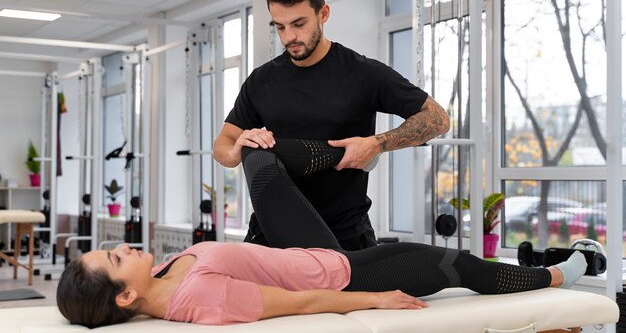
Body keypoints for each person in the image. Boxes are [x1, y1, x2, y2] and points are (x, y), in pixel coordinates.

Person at [57, 139, 587, 328]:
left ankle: (358, 146)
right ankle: (569, 271)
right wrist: (374, 298)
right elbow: (303, 303)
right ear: (126, 294)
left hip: (293, 249)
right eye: (115, 256)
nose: (124, 247)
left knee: (258, 155)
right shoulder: (201, 298)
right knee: (459, 267)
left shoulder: (167, 275)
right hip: (335, 269)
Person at [213, 0, 450, 250]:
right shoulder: (261, 81)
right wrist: (239, 145)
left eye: (299, 24)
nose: (289, 37)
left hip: (344, 237)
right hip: (272, 236)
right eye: (280, 26)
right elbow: (222, 147)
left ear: (323, 14)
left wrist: (377, 144)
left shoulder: (363, 73)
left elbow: (437, 119)